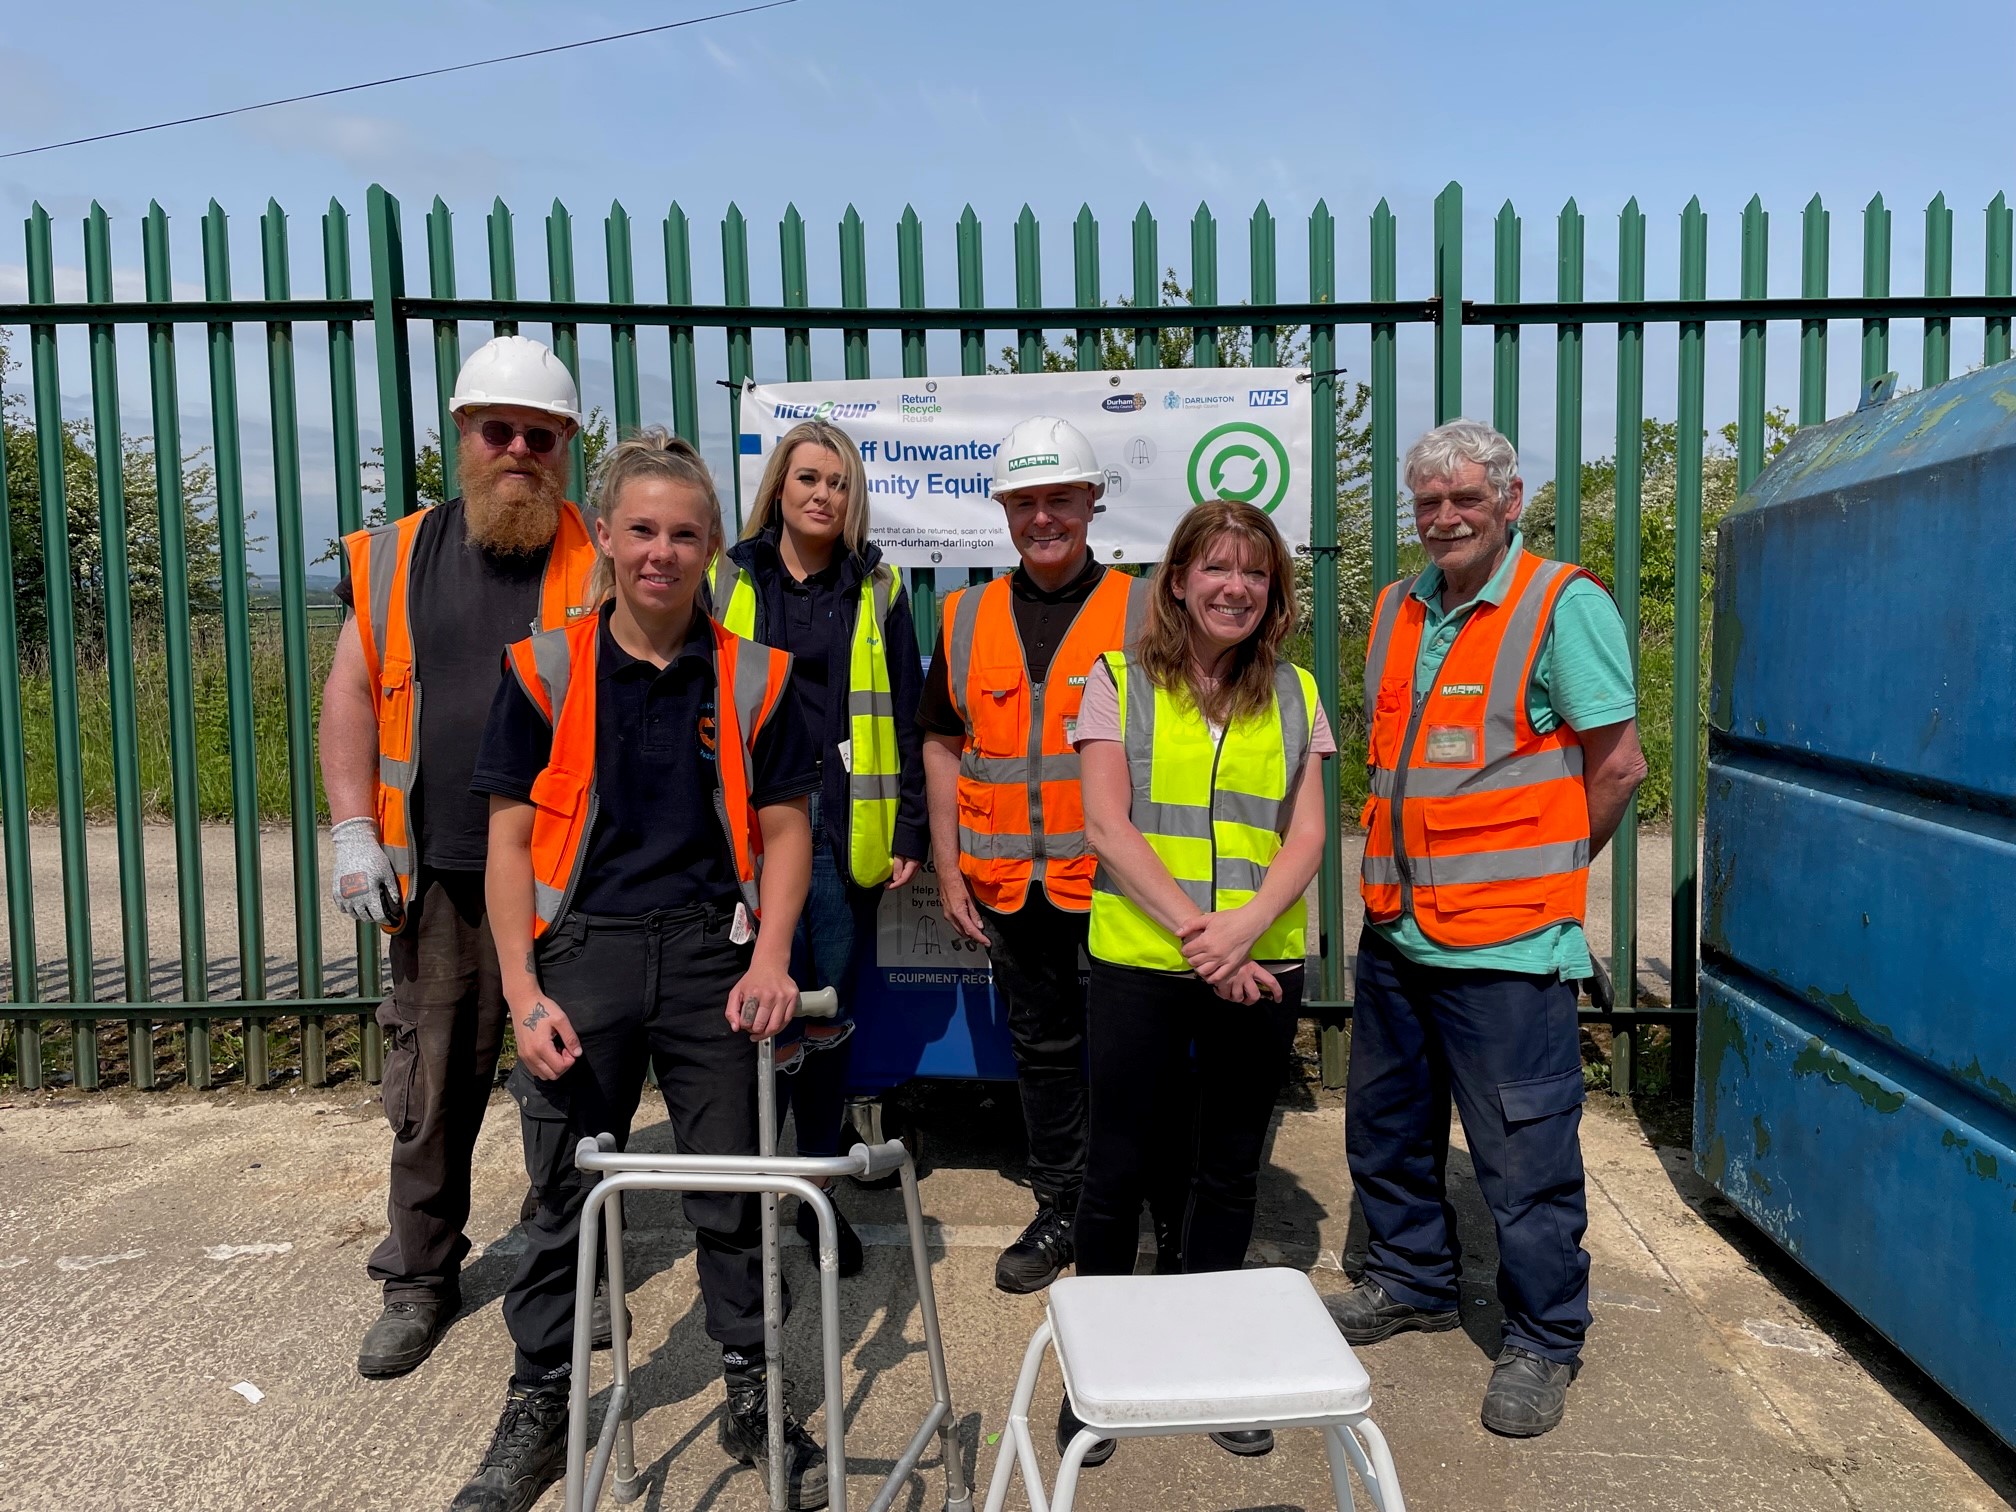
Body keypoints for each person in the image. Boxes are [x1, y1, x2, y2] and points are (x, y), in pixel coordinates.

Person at [450, 432, 826, 1512]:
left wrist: (771, 960)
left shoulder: (759, 675)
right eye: (643, 531)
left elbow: (789, 830)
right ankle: (541, 1397)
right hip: (586, 956)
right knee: (566, 1193)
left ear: (713, 549)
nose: (661, 552)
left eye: (685, 534)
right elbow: (510, 844)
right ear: (605, 537)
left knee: (736, 1190)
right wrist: (524, 996)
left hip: (716, 951)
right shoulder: (543, 669)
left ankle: (753, 1391)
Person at [1329, 418, 1647, 1439]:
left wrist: (1543, 873)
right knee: (1385, 1130)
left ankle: (1545, 1338)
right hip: (1398, 932)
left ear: (1512, 502)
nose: (1445, 519)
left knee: (1524, 1158)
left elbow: (1618, 769)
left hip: (1506, 947)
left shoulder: (1563, 604)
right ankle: (1412, 1281)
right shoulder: (1395, 609)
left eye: (1466, 499)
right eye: (1428, 504)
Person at [320, 334, 600, 1379]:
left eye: (542, 434)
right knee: (433, 1082)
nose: (519, 449)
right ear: (463, 435)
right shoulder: (398, 555)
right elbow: (350, 689)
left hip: (568, 877)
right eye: (501, 430)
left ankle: (567, 1264)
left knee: (566, 1080)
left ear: (567, 444)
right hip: (437, 872)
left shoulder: (602, 553)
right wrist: (354, 828)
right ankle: (420, 1277)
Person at [1066, 499, 1334, 1466]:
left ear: (1274, 592)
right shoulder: (1115, 682)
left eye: (1254, 574)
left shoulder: (1299, 694)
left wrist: (1248, 932)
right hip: (1144, 961)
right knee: (1120, 1167)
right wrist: (1202, 935)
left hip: (1261, 967)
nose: (1235, 587)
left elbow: (1307, 835)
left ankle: (1215, 1362)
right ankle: (1096, 1377)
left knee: (1227, 1169)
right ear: (1177, 579)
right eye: (1216, 569)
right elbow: (1107, 824)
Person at [915, 415, 1148, 1294]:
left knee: (1131, 1051)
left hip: (1121, 885)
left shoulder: (1143, 609)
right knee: (1043, 1052)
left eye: (1060, 499)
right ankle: (1062, 1206)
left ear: (1092, 503)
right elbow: (942, 741)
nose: (1043, 518)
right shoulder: (966, 615)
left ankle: (1131, 1210)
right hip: (1012, 884)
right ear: (1004, 511)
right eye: (1025, 502)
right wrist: (946, 861)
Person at [708, 419, 927, 1278]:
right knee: (745, 1020)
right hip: (740, 835)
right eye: (806, 479)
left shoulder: (878, 584)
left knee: (824, 1017)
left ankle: (814, 1186)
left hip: (840, 830)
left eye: (837, 482)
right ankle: (741, 1196)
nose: (822, 496)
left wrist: (910, 825)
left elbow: (907, 705)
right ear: (779, 488)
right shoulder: (730, 574)